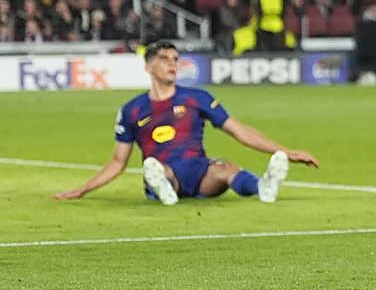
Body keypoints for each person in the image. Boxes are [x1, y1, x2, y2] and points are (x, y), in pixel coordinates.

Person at [54, 40, 320, 204]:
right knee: (156, 169)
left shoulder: (196, 98)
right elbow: (117, 162)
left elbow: (239, 130)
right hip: (168, 171)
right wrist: (82, 190)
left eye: (175, 59)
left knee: (225, 167)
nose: (172, 64)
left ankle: (264, 187)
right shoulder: (132, 110)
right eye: (164, 59)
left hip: (200, 173)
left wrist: (285, 151)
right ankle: (162, 187)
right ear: (148, 66)